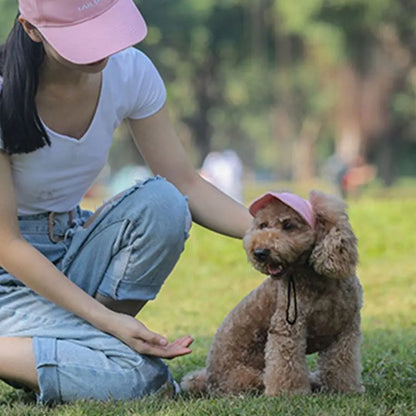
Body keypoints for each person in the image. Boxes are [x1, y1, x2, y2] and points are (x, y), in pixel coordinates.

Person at [0, 0, 251, 404]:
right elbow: (7, 244)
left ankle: (72, 351)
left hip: (71, 244)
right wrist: (110, 322)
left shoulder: (130, 71)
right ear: (31, 29)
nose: (99, 46)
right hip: (8, 276)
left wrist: (271, 231)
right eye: (81, 37)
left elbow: (187, 182)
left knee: (165, 203)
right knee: (141, 381)